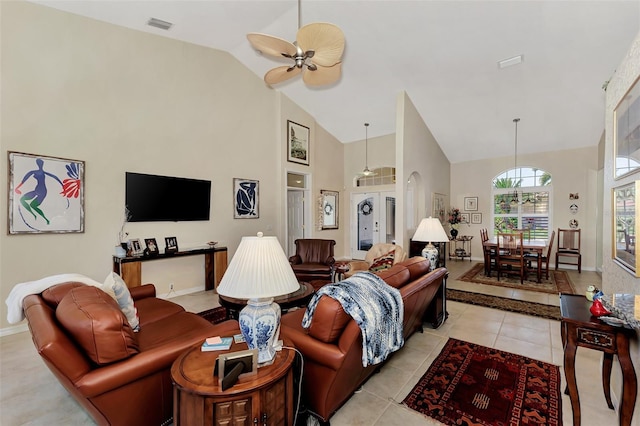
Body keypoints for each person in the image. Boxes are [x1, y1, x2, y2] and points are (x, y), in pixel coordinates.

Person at [14, 158, 63, 225]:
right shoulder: (36, 172)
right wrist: (16, 188)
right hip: (36, 190)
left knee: (33, 205)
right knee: (22, 200)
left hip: (42, 192)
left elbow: (55, 177)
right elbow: (24, 179)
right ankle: (34, 215)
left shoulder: (38, 172)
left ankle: (45, 219)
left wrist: (63, 187)